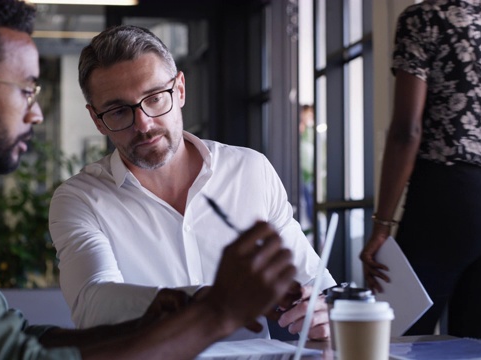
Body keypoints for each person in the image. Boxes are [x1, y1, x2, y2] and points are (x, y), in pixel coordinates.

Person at [0, 0, 300, 358]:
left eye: (154, 98)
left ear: (179, 90)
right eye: (26, 90)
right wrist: (216, 310)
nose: (36, 115)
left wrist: (150, 319)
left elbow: (16, 338)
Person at [48, 25, 336, 340]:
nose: (144, 124)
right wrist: (209, 300)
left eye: (155, 98)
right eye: (118, 111)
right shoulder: (80, 199)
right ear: (96, 119)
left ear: (180, 90)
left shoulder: (251, 171)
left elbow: (316, 283)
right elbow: (94, 303)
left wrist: (323, 308)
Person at [360, 0, 481, 342]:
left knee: (392, 340)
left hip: (446, 199)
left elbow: (407, 131)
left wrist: (382, 225)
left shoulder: (423, 18)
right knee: (478, 349)